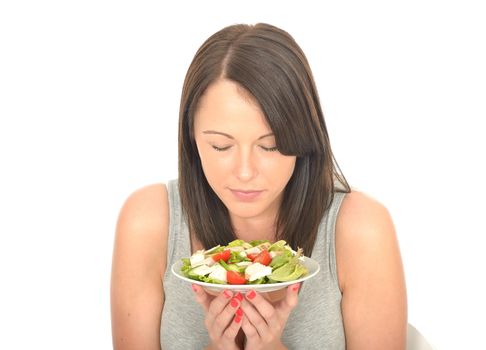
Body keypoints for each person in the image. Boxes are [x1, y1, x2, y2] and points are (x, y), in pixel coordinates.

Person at [111, 23, 407, 350]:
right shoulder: (149, 222)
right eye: (221, 147)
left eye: (270, 146)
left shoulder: (360, 230)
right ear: (191, 138)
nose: (245, 172)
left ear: (303, 138)